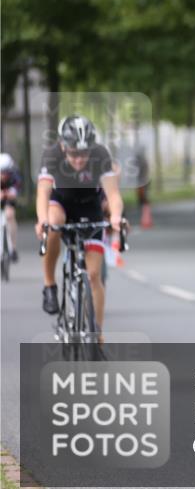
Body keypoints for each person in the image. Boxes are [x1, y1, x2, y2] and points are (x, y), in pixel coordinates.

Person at [35, 115, 124, 341]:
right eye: (74, 153)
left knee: (94, 275)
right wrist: (42, 220)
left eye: (84, 153)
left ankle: (97, 334)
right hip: (61, 203)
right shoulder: (52, 155)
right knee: (54, 222)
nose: (79, 159)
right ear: (63, 147)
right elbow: (43, 193)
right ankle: (49, 285)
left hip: (89, 207)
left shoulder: (101, 155)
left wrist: (115, 217)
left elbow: (113, 194)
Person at [1, 152, 22, 263]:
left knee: (10, 215)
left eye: (6, 172)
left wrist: (9, 194)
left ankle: (12, 248)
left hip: (9, 199)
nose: (3, 175)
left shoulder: (15, 175)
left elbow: (16, 190)